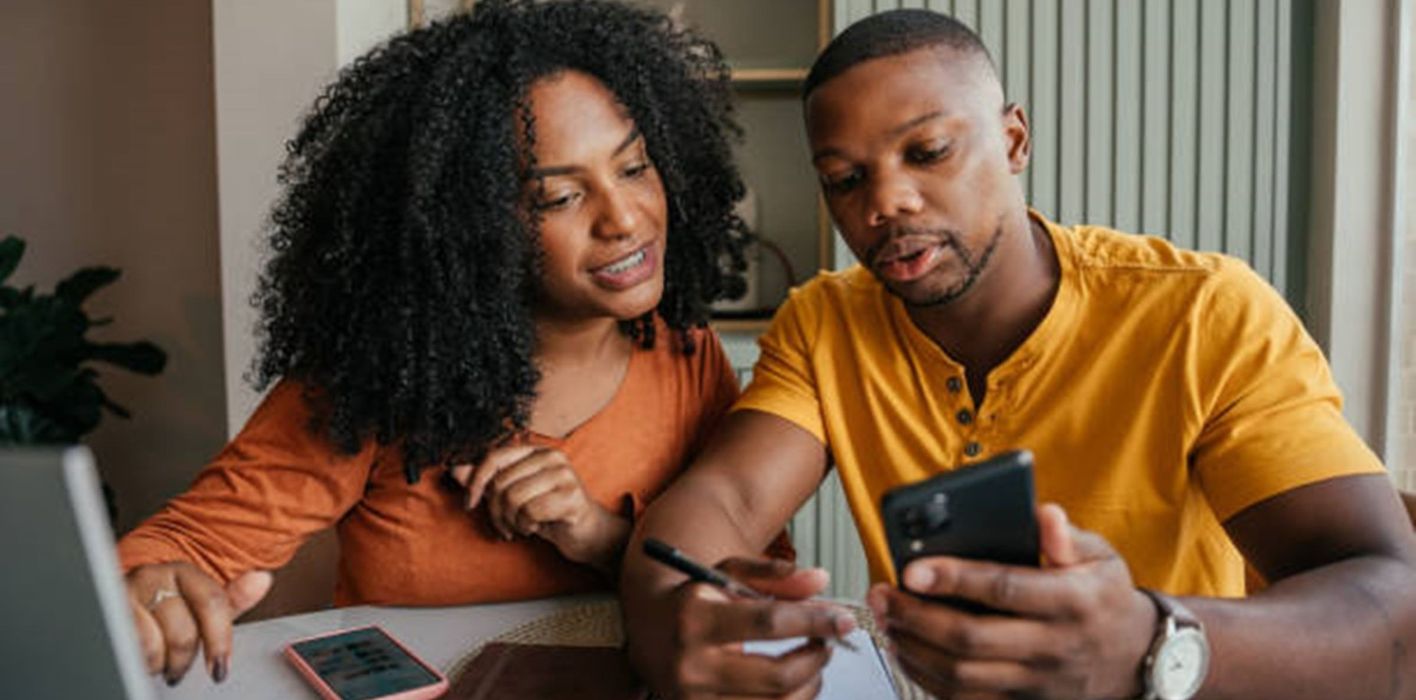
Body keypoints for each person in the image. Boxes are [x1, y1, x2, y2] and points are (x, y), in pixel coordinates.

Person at [620, 9, 1416, 699]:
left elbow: (1394, 604)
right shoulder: (824, 324)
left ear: (1013, 139)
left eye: (928, 152)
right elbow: (719, 502)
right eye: (845, 178)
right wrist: (676, 624)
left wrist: (1146, 642)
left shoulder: (1204, 311)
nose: (884, 202)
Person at [117, 0, 760, 687]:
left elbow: (752, 588)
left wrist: (596, 535)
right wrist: (151, 589)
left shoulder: (689, 357)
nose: (626, 218)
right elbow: (179, 547)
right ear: (469, 223)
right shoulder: (378, 377)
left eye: (633, 168)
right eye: (558, 198)